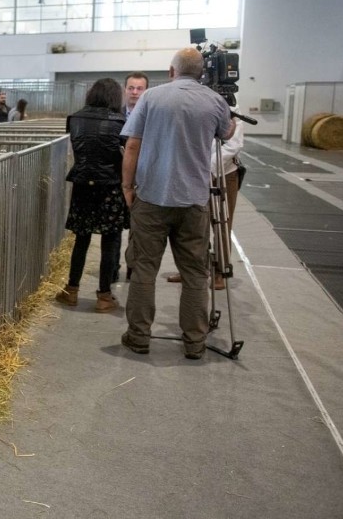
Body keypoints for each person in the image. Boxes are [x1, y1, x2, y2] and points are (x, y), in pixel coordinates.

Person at [119, 47, 236, 360]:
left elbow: (132, 144)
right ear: (201, 74)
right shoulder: (215, 101)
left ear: (171, 71)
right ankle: (195, 341)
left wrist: (127, 186)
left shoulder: (151, 97)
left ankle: (139, 336)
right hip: (194, 202)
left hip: (152, 197)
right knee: (196, 273)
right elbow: (227, 132)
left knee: (144, 268)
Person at [55, 79, 129, 313]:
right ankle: (104, 297)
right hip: (111, 186)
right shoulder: (121, 122)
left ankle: (71, 290)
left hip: (83, 185)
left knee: (81, 238)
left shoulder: (75, 119)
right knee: (110, 241)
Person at [167, 117, 244, 290]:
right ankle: (192, 268)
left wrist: (206, 167)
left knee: (222, 225)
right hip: (194, 172)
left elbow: (234, 144)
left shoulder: (231, 105)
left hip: (224, 173)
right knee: (192, 224)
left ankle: (219, 272)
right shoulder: (196, 100)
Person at [115, 72, 150, 282]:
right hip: (116, 178)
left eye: (139, 89)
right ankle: (112, 265)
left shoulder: (151, 116)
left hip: (143, 179)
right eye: (131, 88)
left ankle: (132, 265)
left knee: (137, 226)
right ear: (125, 89)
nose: (135, 93)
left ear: (146, 91)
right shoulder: (115, 115)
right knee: (116, 224)